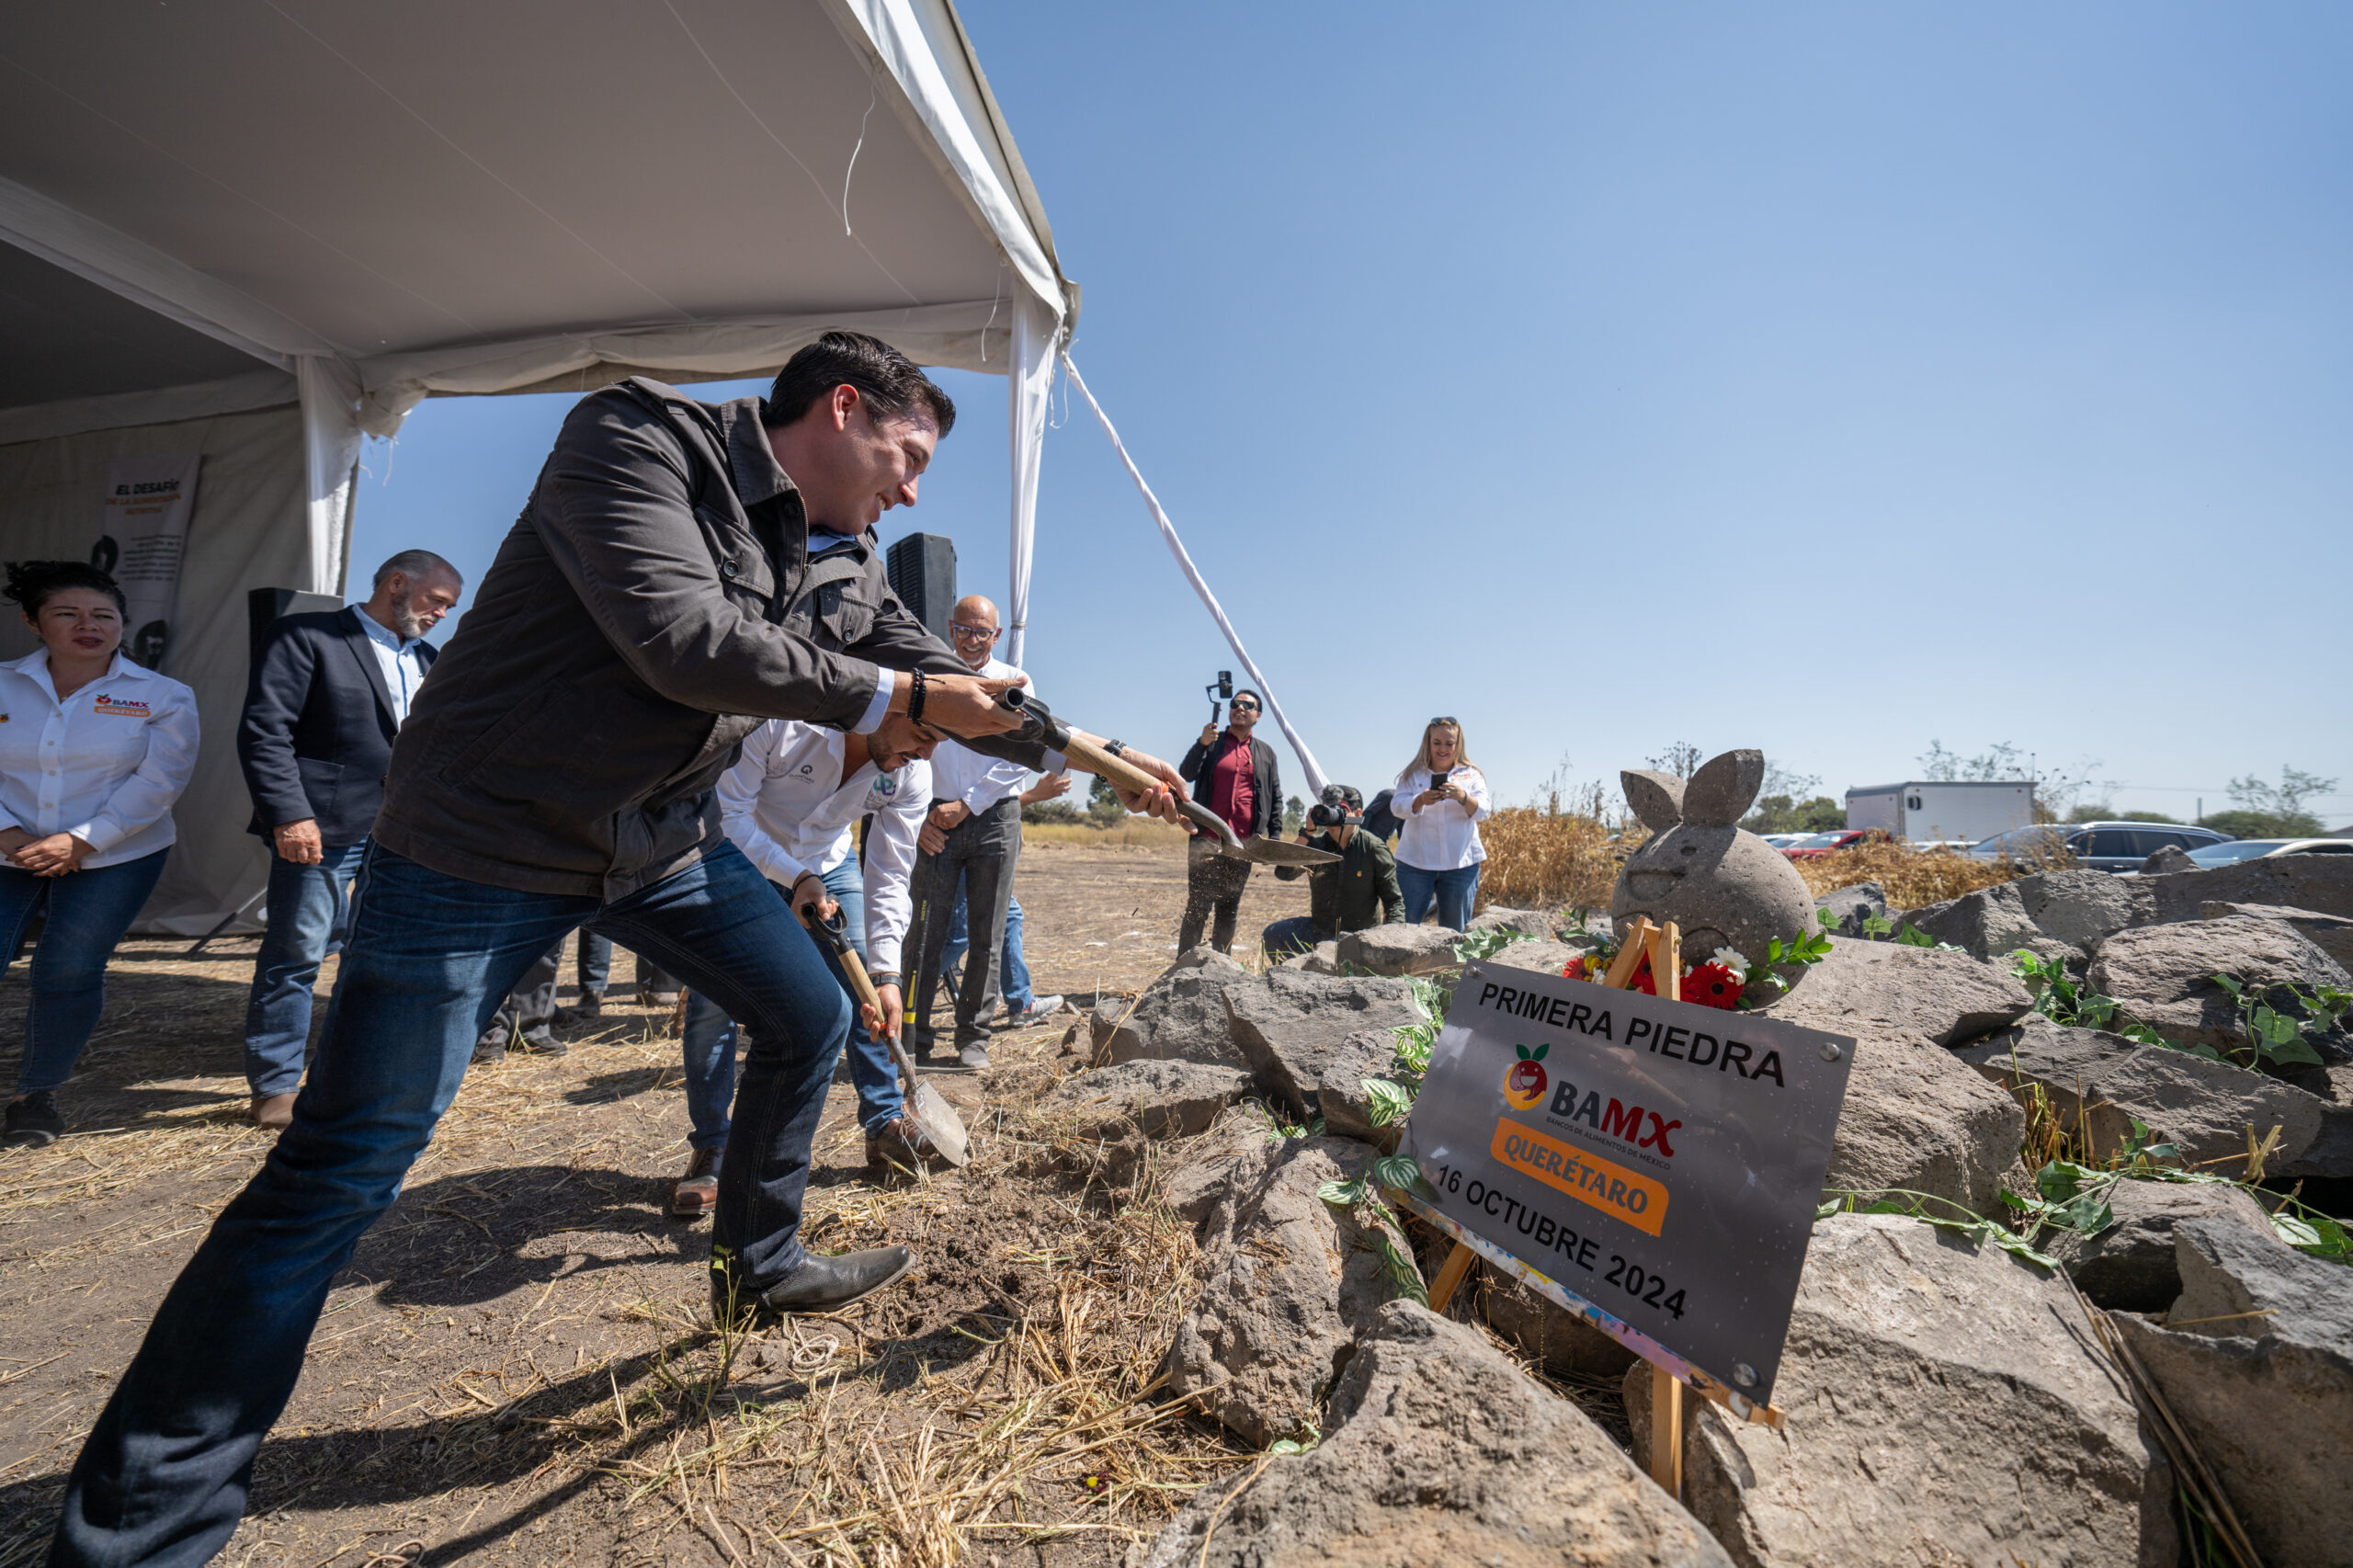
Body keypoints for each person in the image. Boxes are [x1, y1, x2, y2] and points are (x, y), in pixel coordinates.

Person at [49, 331, 1186, 1567]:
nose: (912, 491)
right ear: (846, 409)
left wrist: (1083, 749)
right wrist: (898, 704)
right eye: (906, 457)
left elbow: (925, 660)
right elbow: (680, 636)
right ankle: (141, 1521)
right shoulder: (637, 441)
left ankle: (758, 1259)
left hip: (654, 841)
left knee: (807, 1017)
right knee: (346, 1164)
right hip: (481, 835)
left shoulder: (841, 551)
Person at [670, 710, 937, 1217]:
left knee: (865, 999)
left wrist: (887, 973)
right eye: (923, 736)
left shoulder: (912, 769)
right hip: (736, 859)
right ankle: (713, 1147)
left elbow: (890, 871)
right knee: (713, 1005)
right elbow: (729, 815)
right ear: (887, 707)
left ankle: (884, 1124)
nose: (927, 755)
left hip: (830, 865)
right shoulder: (782, 722)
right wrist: (794, 878)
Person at [235, 550, 462, 1129]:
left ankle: (351, 1075)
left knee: (378, 959)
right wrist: (289, 814)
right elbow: (266, 733)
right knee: (297, 955)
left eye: (448, 608)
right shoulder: (308, 636)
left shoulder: (432, 662)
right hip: (322, 829)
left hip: (403, 838)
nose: (441, 614)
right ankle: (275, 1086)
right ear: (395, 583)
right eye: (436, 601)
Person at [0, 562, 199, 1150]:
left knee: (66, 969)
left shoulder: (162, 695)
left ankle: (35, 1097)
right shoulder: (3, 684)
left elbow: (160, 781)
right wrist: (8, 836)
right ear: (33, 623)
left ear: (122, 626)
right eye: (67, 613)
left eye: (103, 616)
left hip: (116, 853)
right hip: (6, 847)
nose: (88, 625)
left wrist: (82, 840)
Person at [904, 595, 1033, 1071]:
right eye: (964, 629)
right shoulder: (930, 678)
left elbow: (1019, 757)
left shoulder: (1017, 684)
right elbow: (905, 748)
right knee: (923, 932)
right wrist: (920, 816)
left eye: (983, 632)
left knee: (987, 934)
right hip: (933, 821)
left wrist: (969, 803)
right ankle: (913, 1037)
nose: (973, 639)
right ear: (950, 628)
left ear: (997, 636)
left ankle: (972, 1038)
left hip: (994, 817)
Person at [939, 770, 1070, 1027]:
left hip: (989, 838)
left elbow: (993, 800)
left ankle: (1021, 1003)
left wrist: (1012, 819)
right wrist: (1032, 796)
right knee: (960, 933)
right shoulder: (988, 749)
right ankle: (896, 994)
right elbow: (975, 804)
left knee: (1009, 916)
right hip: (969, 843)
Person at [1176, 688, 1280, 953]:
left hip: (1243, 844)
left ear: (1258, 716)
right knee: (1198, 906)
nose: (1240, 708)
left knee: (1229, 907)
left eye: (1248, 705)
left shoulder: (1266, 753)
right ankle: (1183, 968)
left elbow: (1275, 796)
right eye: (1236, 704)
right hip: (1206, 841)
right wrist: (1201, 743)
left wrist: (1275, 837)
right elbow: (1185, 774)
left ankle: (1221, 967)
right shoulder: (1212, 743)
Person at [1262, 784, 1403, 958]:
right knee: (1273, 935)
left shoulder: (1373, 848)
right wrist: (1306, 833)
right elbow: (1284, 873)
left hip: (1360, 938)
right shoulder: (1316, 847)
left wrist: (1391, 941)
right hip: (1320, 933)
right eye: (1328, 810)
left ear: (1358, 815)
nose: (1333, 816)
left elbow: (1394, 902)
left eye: (1340, 810)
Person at [1392, 716, 1491, 930]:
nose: (1443, 749)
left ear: (1458, 744)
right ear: (1428, 742)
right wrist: (1419, 800)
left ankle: (1452, 965)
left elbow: (1484, 811)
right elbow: (1396, 807)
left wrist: (1463, 797)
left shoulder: (1471, 775)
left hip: (1460, 864)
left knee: (1455, 932)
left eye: (1449, 743)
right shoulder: (1412, 774)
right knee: (1403, 927)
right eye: (1437, 742)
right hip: (1415, 863)